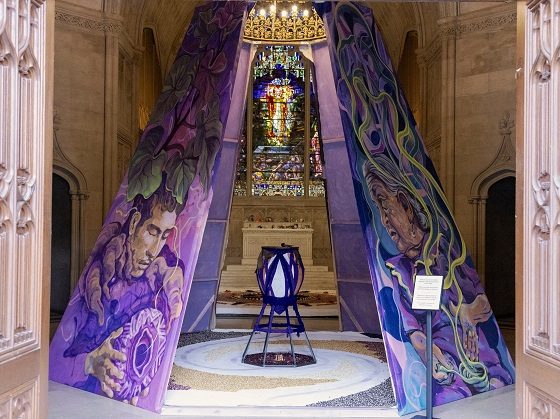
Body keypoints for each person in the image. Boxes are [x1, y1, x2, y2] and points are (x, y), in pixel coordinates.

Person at [362, 160, 514, 402]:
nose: (385, 221)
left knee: (494, 382)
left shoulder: (448, 250)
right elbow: (414, 333)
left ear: (406, 205)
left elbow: (482, 302)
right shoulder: (399, 270)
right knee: (445, 395)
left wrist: (468, 313)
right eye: (379, 212)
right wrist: (433, 358)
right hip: (444, 366)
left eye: (386, 208)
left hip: (481, 358)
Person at [50, 183, 185, 405]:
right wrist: (89, 364)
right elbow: (57, 362)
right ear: (133, 224)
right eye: (152, 231)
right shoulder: (97, 280)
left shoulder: (158, 282)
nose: (153, 251)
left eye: (164, 236)